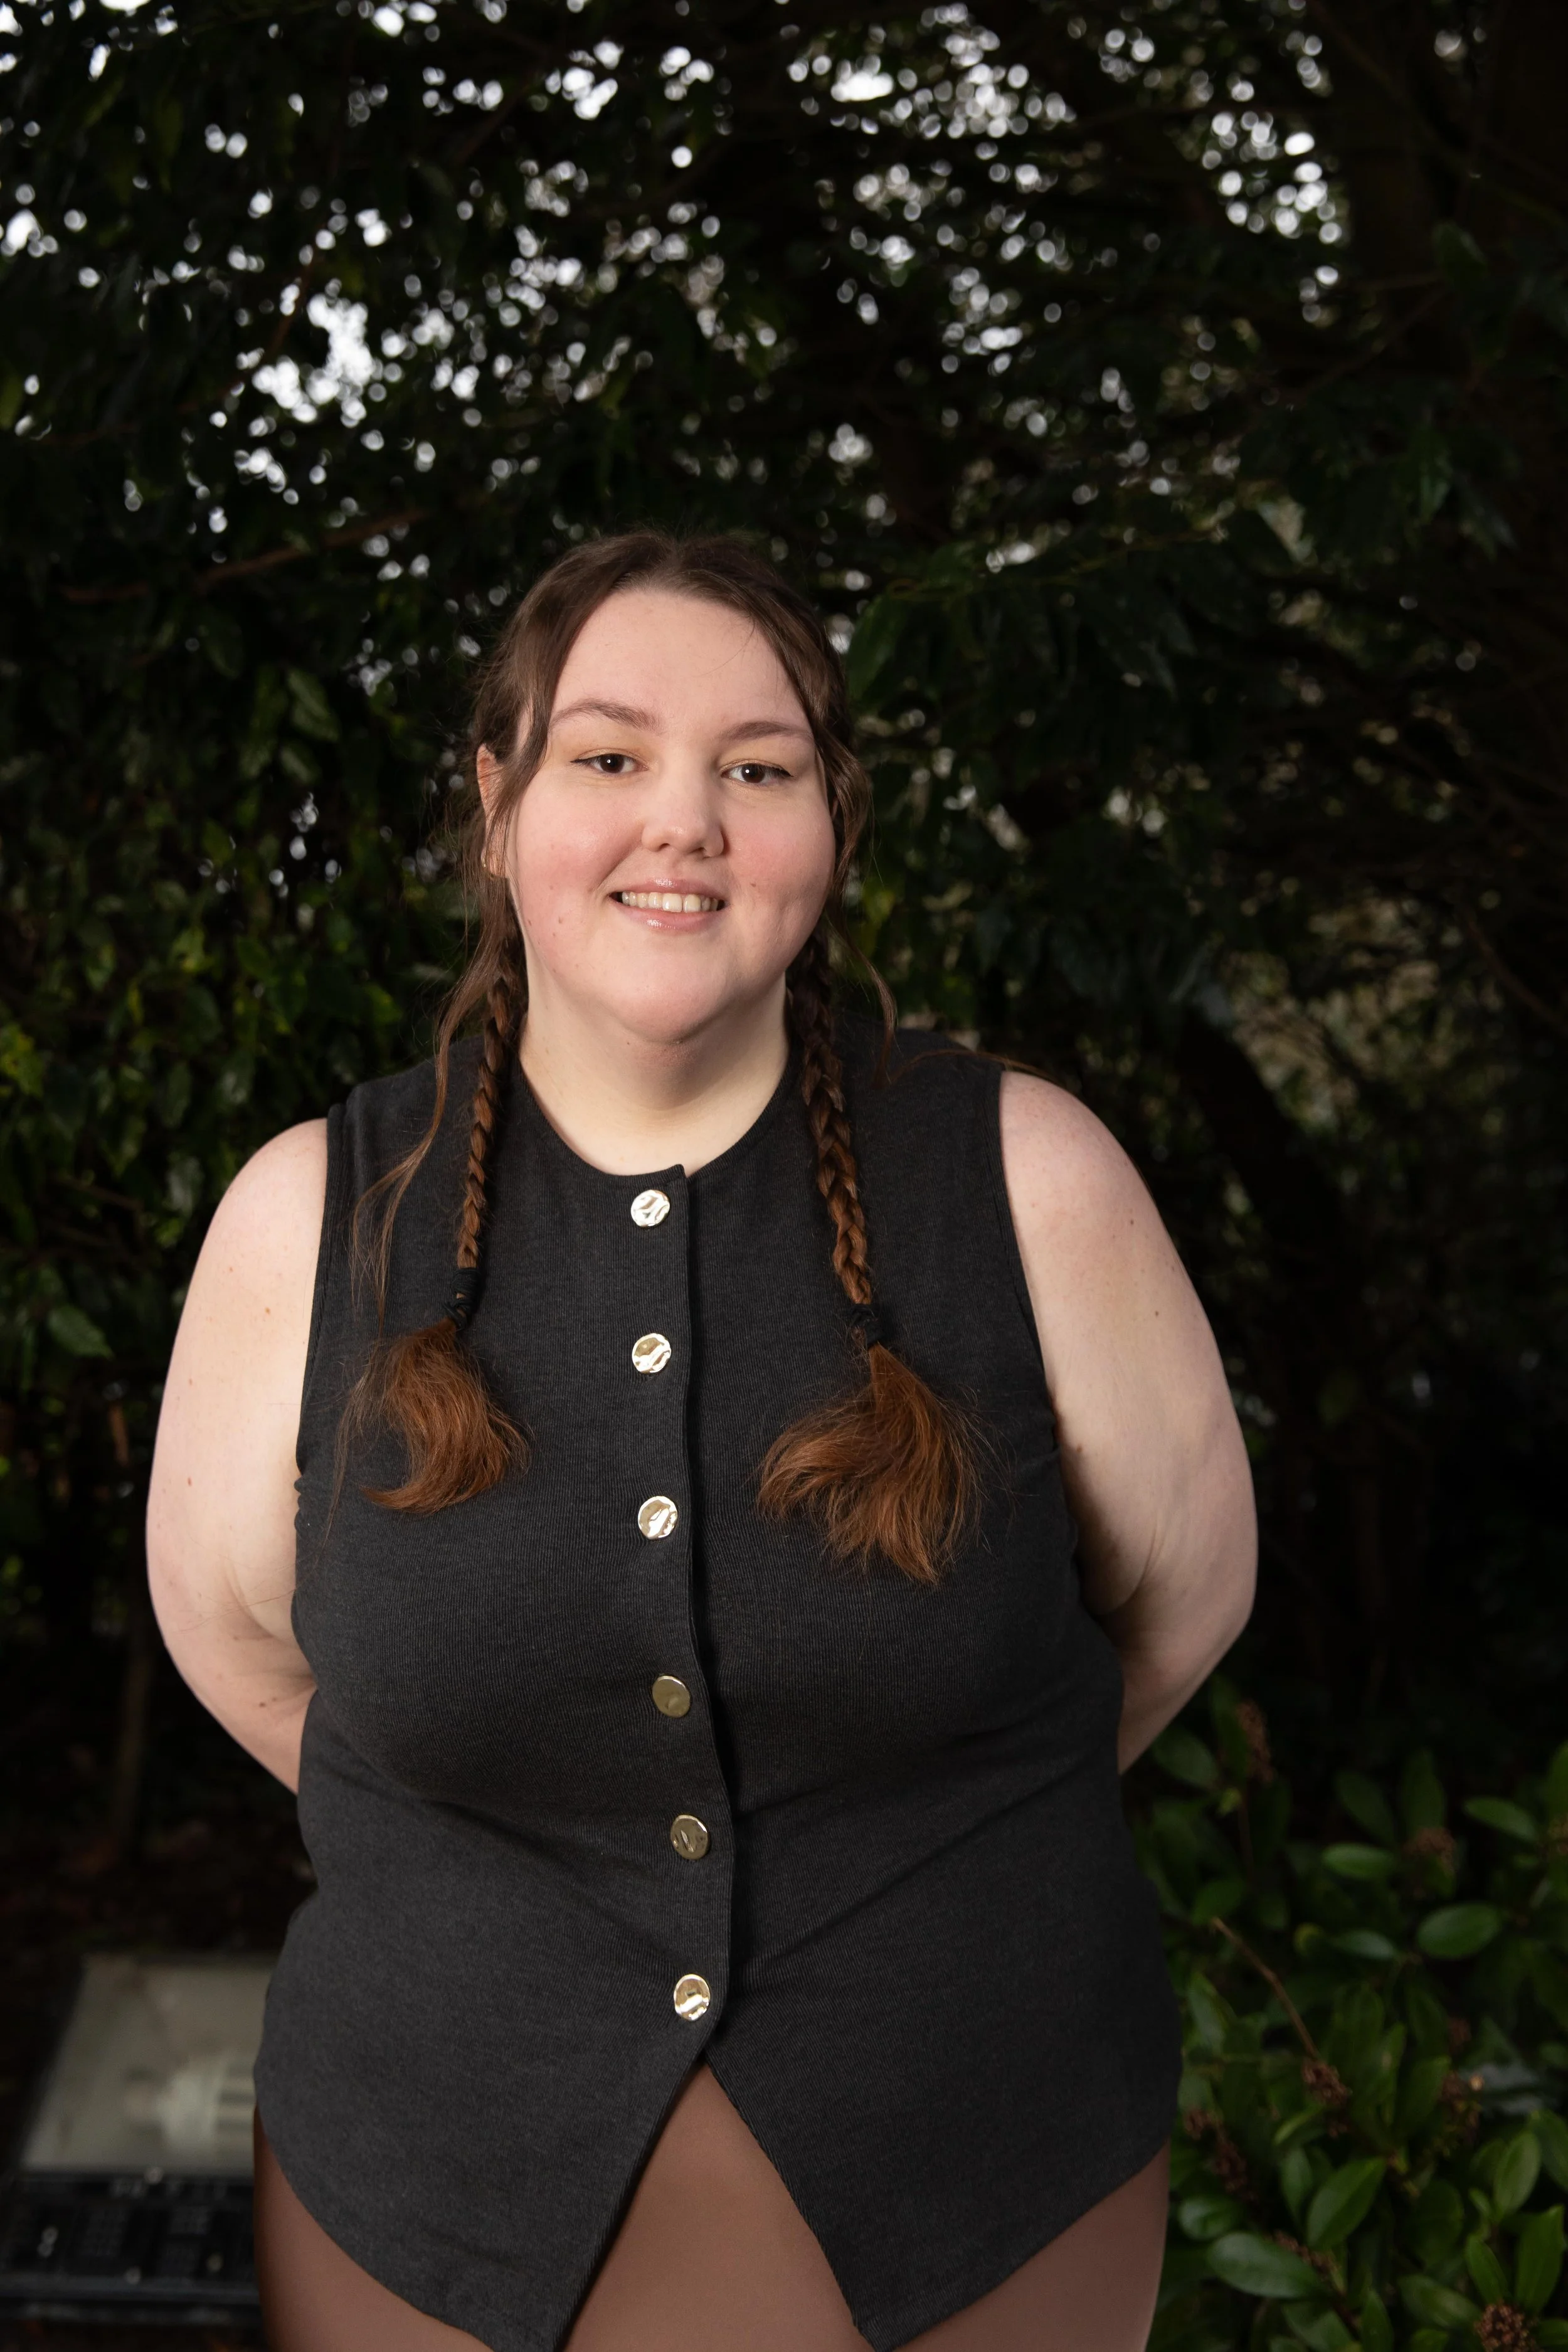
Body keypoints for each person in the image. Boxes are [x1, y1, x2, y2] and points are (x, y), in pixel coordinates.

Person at [147, 531, 1256, 2352]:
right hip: (418, 2212)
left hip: (996, 2193)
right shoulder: (309, 1216)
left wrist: (937, 1839)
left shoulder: (1034, 1181)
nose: (686, 821)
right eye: (608, 755)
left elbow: (1185, 1604)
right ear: (496, 804)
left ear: (832, 822)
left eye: (759, 767)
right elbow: (236, 1644)